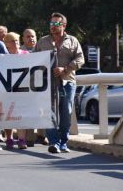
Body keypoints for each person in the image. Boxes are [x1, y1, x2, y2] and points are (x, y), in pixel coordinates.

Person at [34, 12, 84, 154]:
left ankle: (63, 142)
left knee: (65, 112)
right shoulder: (43, 41)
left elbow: (81, 59)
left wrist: (66, 68)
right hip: (48, 84)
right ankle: (54, 142)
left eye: (56, 24)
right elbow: (33, 58)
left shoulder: (72, 41)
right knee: (50, 113)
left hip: (67, 82)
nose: (53, 27)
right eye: (51, 24)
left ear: (63, 25)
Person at [2, 32, 29, 150]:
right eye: (13, 41)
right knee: (8, 115)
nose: (16, 43)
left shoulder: (26, 54)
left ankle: (22, 139)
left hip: (22, 89)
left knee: (21, 114)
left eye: (17, 40)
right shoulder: (3, 57)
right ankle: (9, 138)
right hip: (7, 90)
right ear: (7, 44)